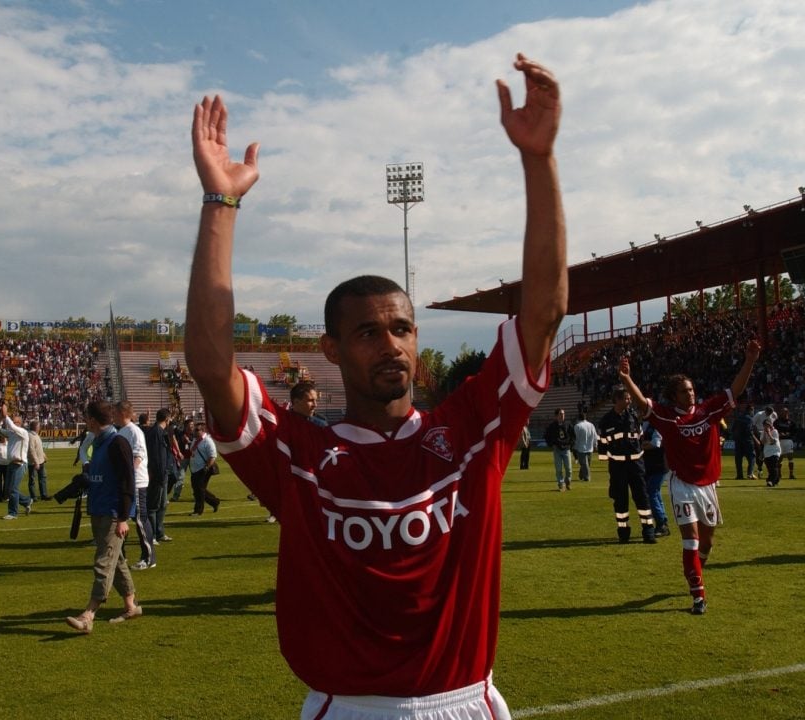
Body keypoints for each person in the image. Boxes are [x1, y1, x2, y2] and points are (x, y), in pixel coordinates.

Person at [186, 53, 564, 717]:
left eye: (401, 328)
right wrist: (222, 202)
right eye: (367, 332)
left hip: (466, 702)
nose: (390, 343)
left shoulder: (473, 429)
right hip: (349, 707)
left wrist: (540, 159)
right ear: (329, 348)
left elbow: (543, 313)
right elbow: (213, 367)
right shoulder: (297, 456)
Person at [618, 338, 761, 615]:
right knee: (691, 541)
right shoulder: (667, 417)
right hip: (682, 485)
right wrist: (627, 378)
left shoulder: (710, 410)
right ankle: (698, 597)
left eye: (692, 390)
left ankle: (696, 573)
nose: (691, 395)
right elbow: (641, 403)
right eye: (684, 392)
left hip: (708, 486)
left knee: (707, 543)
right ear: (674, 396)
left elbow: (735, 390)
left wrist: (750, 360)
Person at [65, 400, 143, 634]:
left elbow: (128, 481)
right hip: (98, 510)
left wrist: (122, 517)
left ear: (91, 420)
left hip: (112, 513)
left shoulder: (117, 442)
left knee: (103, 562)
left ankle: (89, 614)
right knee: (116, 561)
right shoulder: (99, 444)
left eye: (86, 418)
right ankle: (131, 606)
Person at [597, 386, 656, 543]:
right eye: (626, 398)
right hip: (617, 467)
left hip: (636, 465)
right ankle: (623, 532)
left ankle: (648, 531)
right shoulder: (606, 421)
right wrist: (607, 460)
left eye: (630, 398)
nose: (629, 400)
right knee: (620, 500)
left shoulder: (634, 417)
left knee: (642, 498)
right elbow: (602, 444)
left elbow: (640, 439)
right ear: (617, 400)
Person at [113, 401, 154, 570]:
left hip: (136, 482)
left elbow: (139, 456)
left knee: (140, 518)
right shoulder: (121, 431)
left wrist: (128, 474)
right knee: (124, 517)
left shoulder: (134, 431)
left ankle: (149, 557)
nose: (113, 415)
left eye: (115, 412)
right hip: (127, 481)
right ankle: (121, 556)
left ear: (122, 413)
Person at [143, 409, 178, 543]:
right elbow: (156, 457)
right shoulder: (156, 433)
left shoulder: (159, 432)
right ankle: (151, 535)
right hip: (158, 475)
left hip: (162, 474)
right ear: (167, 419)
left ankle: (159, 533)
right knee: (153, 505)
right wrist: (158, 474)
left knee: (162, 504)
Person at [0, 406, 34, 519]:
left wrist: (6, 416)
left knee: (13, 489)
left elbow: (11, 426)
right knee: (9, 490)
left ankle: (13, 513)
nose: (12, 424)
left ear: (20, 423)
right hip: (11, 464)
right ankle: (27, 501)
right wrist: (0, 419)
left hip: (19, 464)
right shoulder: (11, 433)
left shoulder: (23, 432)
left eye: (15, 422)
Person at [640, 421, 671, 537]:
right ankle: (663, 521)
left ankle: (661, 523)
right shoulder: (645, 424)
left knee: (651, 492)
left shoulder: (657, 425)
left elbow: (655, 443)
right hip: (649, 466)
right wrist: (644, 444)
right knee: (655, 493)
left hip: (658, 465)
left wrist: (642, 445)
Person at [187, 423, 219, 516]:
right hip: (194, 469)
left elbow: (213, 456)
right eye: (194, 430)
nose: (194, 431)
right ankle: (214, 502)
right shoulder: (195, 440)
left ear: (203, 430)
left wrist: (206, 467)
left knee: (199, 490)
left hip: (203, 469)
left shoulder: (207, 441)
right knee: (199, 489)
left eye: (197, 430)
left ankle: (198, 510)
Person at [543, 409, 574, 491]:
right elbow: (546, 436)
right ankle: (561, 484)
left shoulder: (568, 424)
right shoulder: (552, 426)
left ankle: (568, 481)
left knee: (569, 469)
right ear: (556, 416)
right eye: (560, 414)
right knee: (559, 468)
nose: (562, 415)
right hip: (557, 449)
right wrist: (551, 444)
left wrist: (570, 444)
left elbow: (573, 435)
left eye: (563, 414)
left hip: (566, 449)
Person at [730, 404, 757, 480]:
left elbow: (733, 429)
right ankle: (750, 473)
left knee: (738, 459)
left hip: (738, 441)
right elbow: (749, 431)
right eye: (753, 410)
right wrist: (755, 440)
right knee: (752, 457)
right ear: (750, 410)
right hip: (747, 441)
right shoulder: (750, 419)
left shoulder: (738, 418)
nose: (753, 412)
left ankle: (739, 475)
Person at [571, 412, 597, 484]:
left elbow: (576, 438)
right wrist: (595, 445)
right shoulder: (591, 425)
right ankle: (582, 476)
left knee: (584, 464)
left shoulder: (577, 426)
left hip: (581, 448)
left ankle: (586, 477)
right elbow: (595, 435)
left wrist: (574, 447)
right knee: (586, 464)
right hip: (590, 447)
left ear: (578, 418)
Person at [27, 420, 50, 501]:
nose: (40, 428)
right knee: (32, 479)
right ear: (35, 427)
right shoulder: (30, 436)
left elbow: (39, 448)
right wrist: (36, 462)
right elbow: (31, 450)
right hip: (33, 462)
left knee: (42, 478)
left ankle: (43, 495)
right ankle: (33, 496)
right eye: (39, 426)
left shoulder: (36, 435)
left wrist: (44, 456)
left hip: (41, 461)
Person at [775, 406, 796, 480]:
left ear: (787, 413)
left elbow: (794, 432)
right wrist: (779, 434)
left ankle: (791, 474)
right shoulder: (777, 421)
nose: (782, 413)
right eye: (782, 412)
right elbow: (773, 430)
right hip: (780, 441)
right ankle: (779, 474)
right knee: (779, 458)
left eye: (784, 412)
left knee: (790, 458)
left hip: (788, 441)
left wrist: (788, 434)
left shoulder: (791, 422)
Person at [760, 417, 781, 486]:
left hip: (775, 451)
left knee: (773, 466)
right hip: (767, 452)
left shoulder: (775, 431)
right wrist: (765, 434)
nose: (766, 426)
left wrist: (769, 433)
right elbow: (763, 442)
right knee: (769, 468)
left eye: (767, 425)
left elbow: (773, 441)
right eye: (765, 425)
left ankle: (770, 481)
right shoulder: (763, 432)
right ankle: (776, 479)